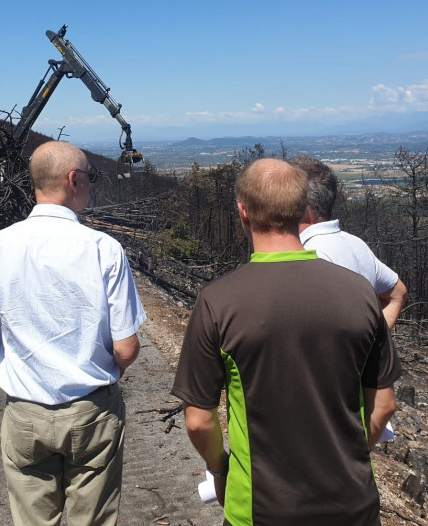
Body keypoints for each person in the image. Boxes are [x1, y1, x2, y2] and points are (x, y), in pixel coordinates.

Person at [172, 159, 401, 526]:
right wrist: (349, 456)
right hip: (351, 504)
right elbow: (384, 405)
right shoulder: (358, 292)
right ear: (302, 209)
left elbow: (199, 421)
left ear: (243, 213)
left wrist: (220, 471)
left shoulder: (219, 301)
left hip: (261, 509)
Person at [0, 141, 146, 526]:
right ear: (73, 180)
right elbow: (126, 348)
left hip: (24, 411)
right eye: (90, 179)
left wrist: (12, 371)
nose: (91, 186)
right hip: (91, 409)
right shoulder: (105, 250)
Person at [291, 155, 407, 442]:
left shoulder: (310, 255)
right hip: (352, 399)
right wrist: (371, 345)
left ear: (303, 209)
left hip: (321, 408)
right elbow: (397, 293)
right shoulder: (354, 244)